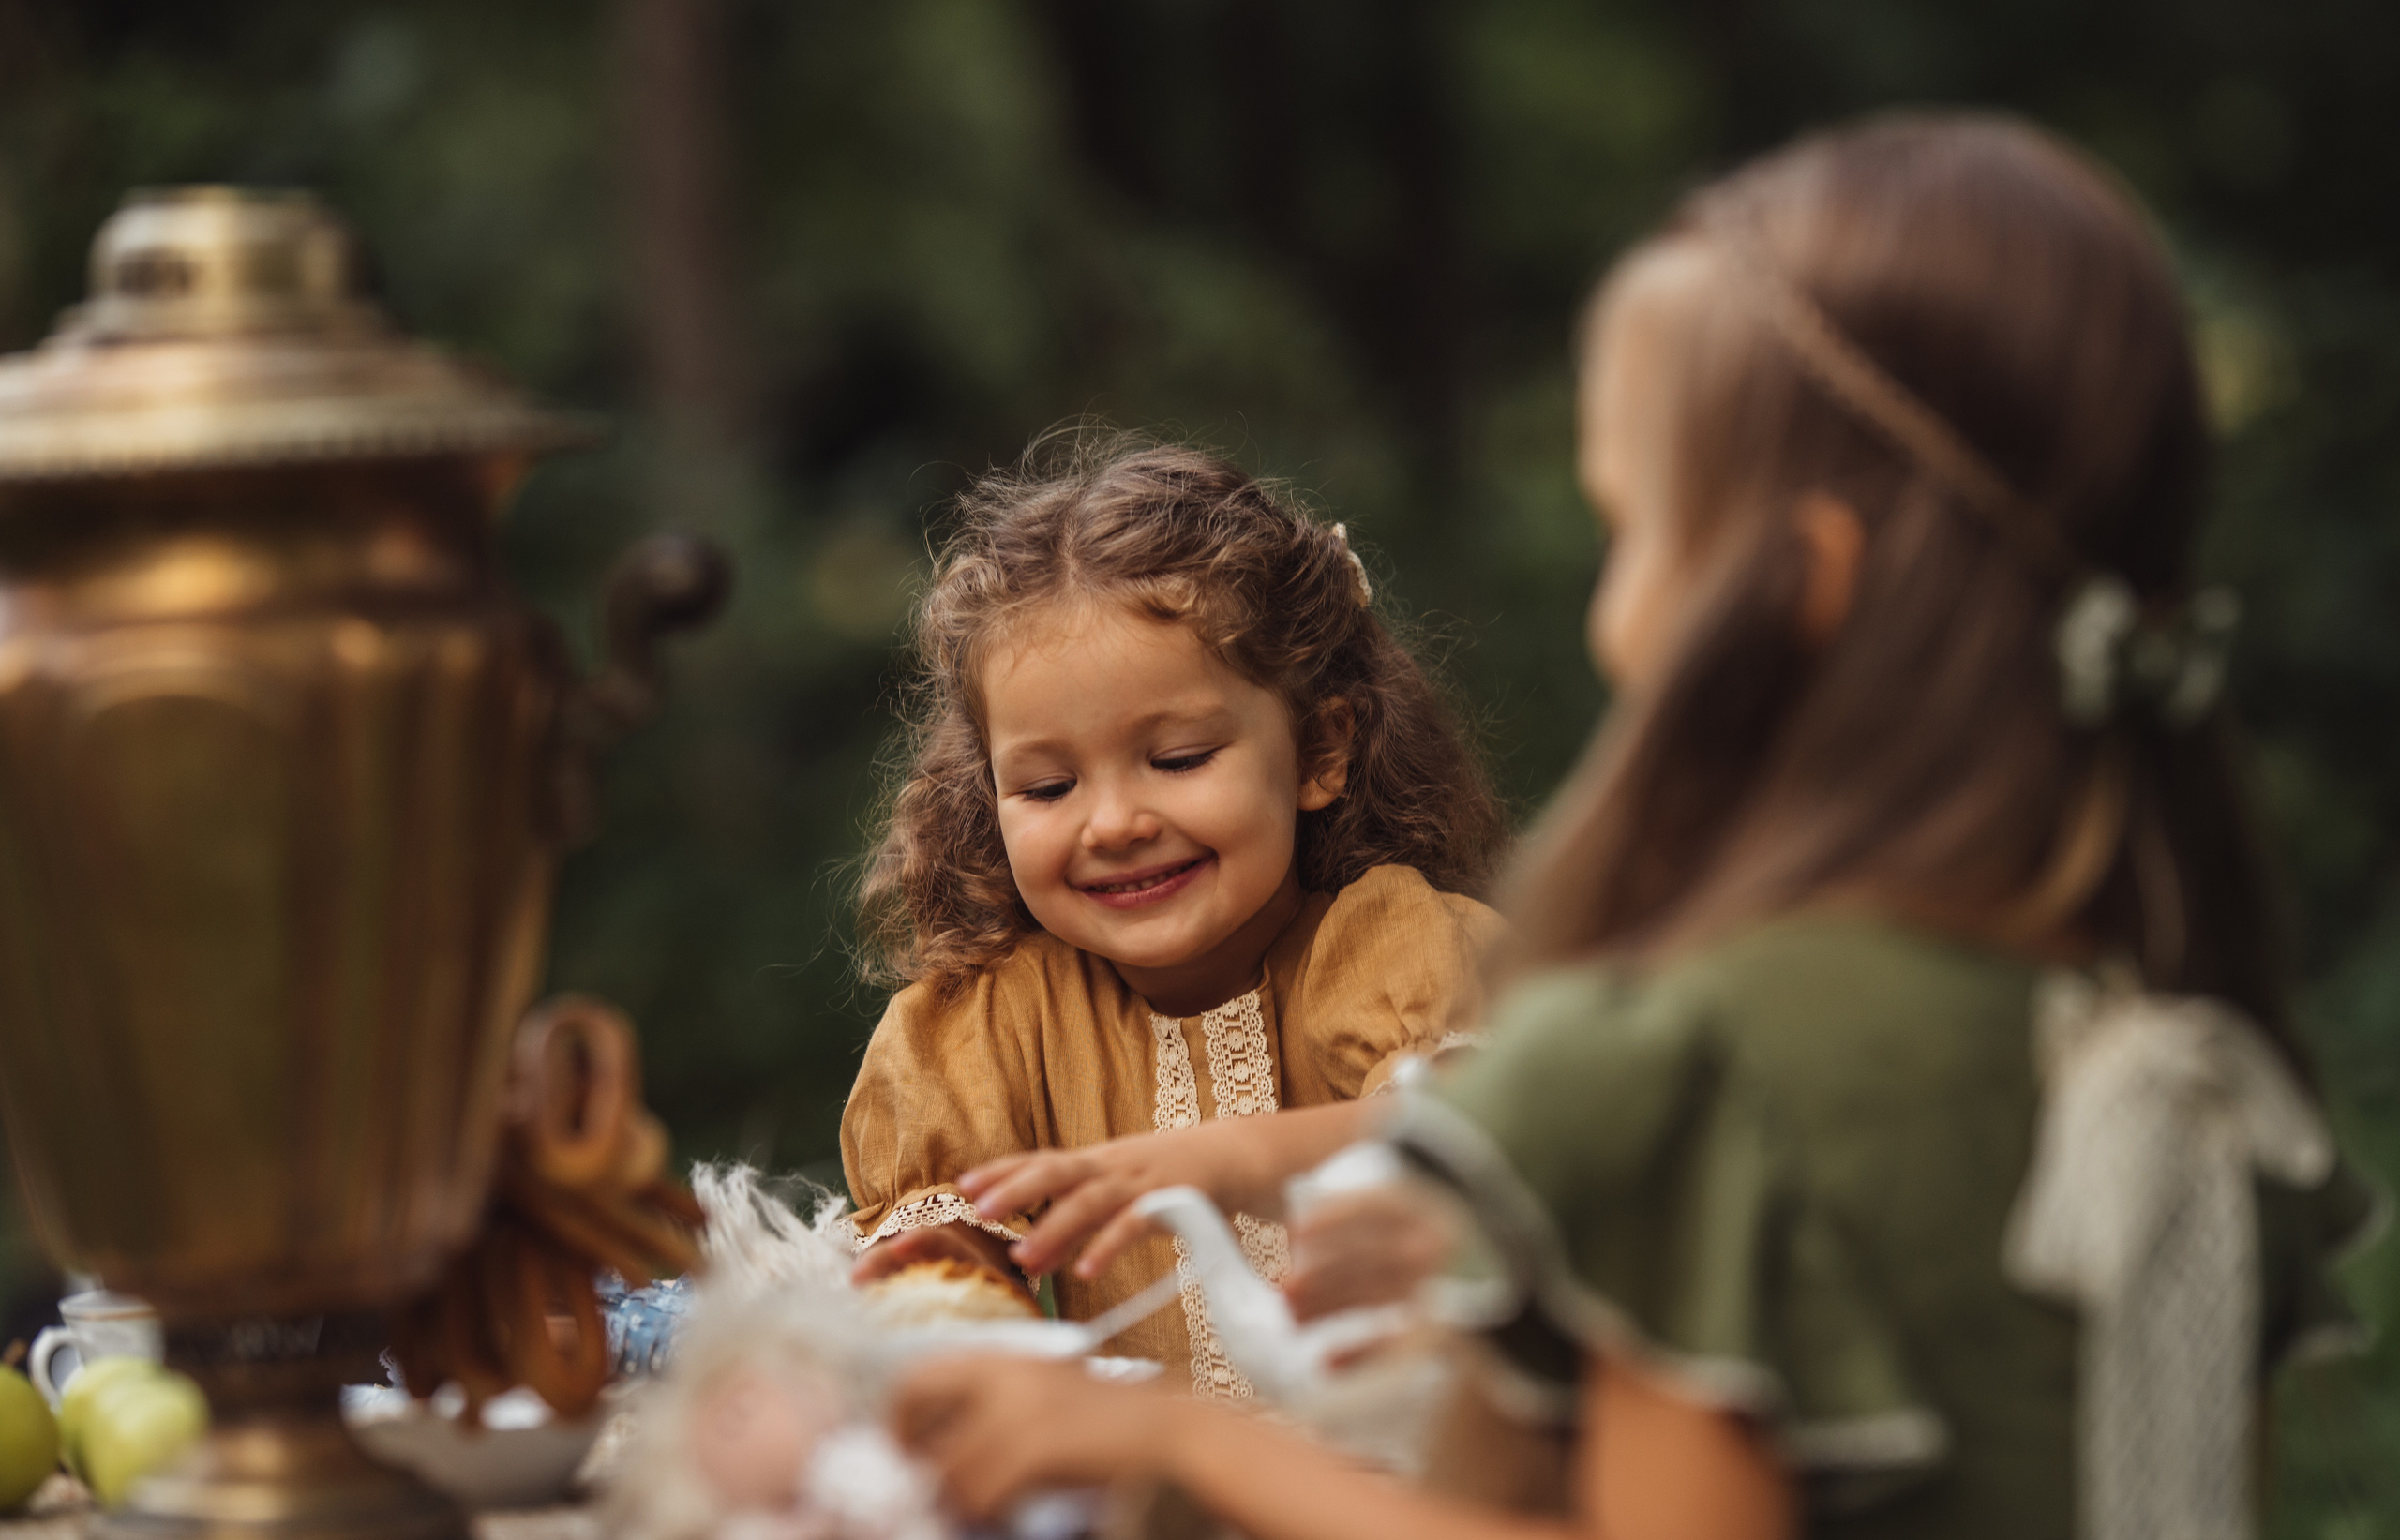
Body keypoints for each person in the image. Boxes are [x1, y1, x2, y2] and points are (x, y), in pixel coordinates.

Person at [885, 114, 2378, 1540]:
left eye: (1629, 527)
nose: (1614, 604)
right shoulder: (2184, 1059)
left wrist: (1182, 1443)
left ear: (1801, 584)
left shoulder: (1685, 1069)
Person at [841, 430, 1509, 1393]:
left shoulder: (1391, 945)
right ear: (986, 795)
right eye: (1047, 785)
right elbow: (934, 1290)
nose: (1113, 823)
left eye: (1180, 758)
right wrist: (951, 1303)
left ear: (1320, 749)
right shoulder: (980, 1026)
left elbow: (1475, 1138)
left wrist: (1217, 1160)